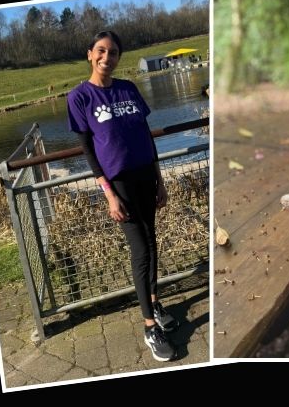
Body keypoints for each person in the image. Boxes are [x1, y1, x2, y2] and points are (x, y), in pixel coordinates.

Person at [67, 31, 178, 362]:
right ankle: (149, 328)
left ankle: (155, 303)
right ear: (90, 54)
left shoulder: (128, 88)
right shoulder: (80, 97)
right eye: (101, 51)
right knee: (141, 249)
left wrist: (160, 180)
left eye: (113, 52)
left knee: (153, 242)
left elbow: (146, 135)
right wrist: (109, 195)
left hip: (146, 175)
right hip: (120, 183)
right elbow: (88, 150)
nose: (107, 57)